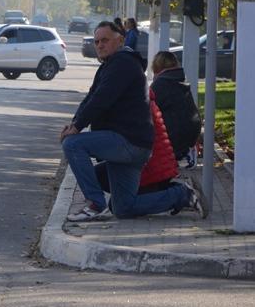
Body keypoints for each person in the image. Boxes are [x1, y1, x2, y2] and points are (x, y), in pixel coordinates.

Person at [60, 21, 207, 221]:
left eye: (105, 40)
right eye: (97, 42)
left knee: (73, 145)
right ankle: (182, 195)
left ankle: (95, 204)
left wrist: (77, 128)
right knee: (123, 208)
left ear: (120, 41)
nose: (100, 45)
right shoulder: (111, 65)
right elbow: (91, 97)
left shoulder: (123, 63)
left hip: (128, 142)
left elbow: (101, 99)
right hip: (129, 146)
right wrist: (74, 122)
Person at [149, 50, 202, 163]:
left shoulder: (161, 84)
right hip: (189, 139)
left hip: (172, 143)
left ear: (157, 67)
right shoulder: (181, 81)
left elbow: (146, 111)